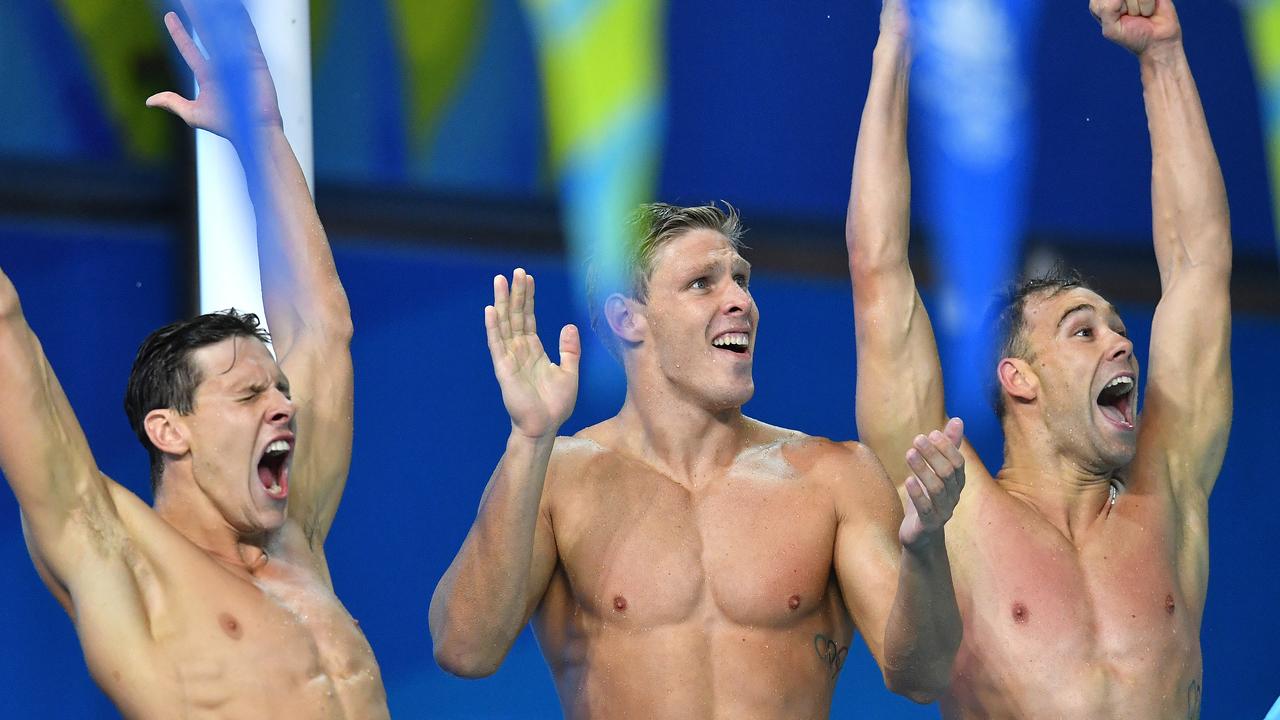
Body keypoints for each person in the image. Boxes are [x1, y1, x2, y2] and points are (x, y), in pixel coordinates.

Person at [0, 3, 389, 717]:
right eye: (247, 396)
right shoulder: (118, 552)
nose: (284, 403)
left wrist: (261, 133)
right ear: (168, 430)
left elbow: (320, 323)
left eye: (277, 388)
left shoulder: (296, 535)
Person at [431, 202, 967, 718]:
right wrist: (529, 438)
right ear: (628, 317)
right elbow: (464, 650)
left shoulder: (834, 478)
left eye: (742, 280)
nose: (741, 301)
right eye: (702, 283)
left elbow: (923, 677)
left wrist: (925, 548)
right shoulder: (556, 478)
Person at [846, 0, 1229, 716]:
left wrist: (1164, 57)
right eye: (1083, 331)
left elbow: (1197, 267)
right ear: (1016, 377)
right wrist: (896, 44)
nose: (1122, 344)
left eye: (1119, 329)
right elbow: (878, 270)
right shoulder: (956, 515)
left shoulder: (1170, 496)